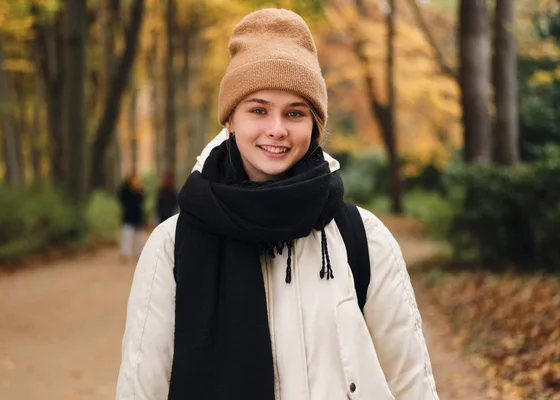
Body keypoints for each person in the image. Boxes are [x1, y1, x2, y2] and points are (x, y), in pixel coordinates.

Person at [116, 8, 439, 400]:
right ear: (230, 120)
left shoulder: (362, 239)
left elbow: (410, 384)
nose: (277, 129)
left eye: (295, 113)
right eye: (258, 109)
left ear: (314, 126)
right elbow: (141, 389)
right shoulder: (171, 246)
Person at [117, 172, 146, 261]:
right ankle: (125, 253)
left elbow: (143, 199)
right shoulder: (125, 189)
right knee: (126, 235)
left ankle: (138, 253)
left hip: (137, 215)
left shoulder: (140, 189)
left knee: (138, 236)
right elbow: (121, 198)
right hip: (128, 215)